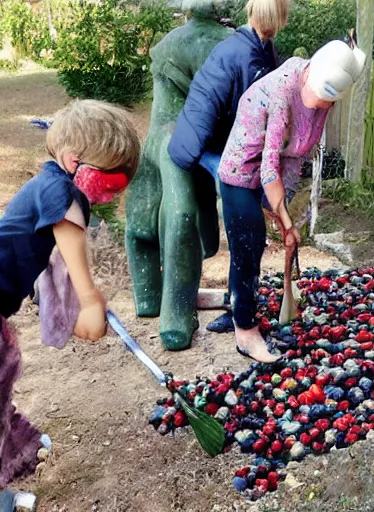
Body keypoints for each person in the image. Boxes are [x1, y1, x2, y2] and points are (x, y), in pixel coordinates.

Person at [0, 99, 140, 487]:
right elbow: (68, 234)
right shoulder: (61, 192)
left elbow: (40, 257)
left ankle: (16, 444)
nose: (111, 196)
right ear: (71, 158)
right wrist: (90, 298)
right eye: (110, 183)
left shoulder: (48, 184)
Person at [218, 39, 366, 363]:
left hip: (274, 172)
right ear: (311, 74)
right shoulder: (283, 93)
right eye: (322, 97)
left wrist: (287, 214)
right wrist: (286, 222)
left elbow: (297, 154)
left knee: (251, 246)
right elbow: (268, 166)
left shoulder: (325, 94)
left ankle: (235, 305)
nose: (323, 106)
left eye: (330, 100)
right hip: (242, 170)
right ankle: (244, 330)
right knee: (249, 241)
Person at [168, 0, 291, 335]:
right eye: (265, 21)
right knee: (245, 230)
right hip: (208, 148)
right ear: (253, 15)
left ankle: (243, 299)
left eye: (274, 22)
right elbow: (205, 111)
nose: (269, 28)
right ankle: (240, 310)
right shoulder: (235, 54)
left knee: (251, 234)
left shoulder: (265, 49)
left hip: (237, 145)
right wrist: (218, 162)